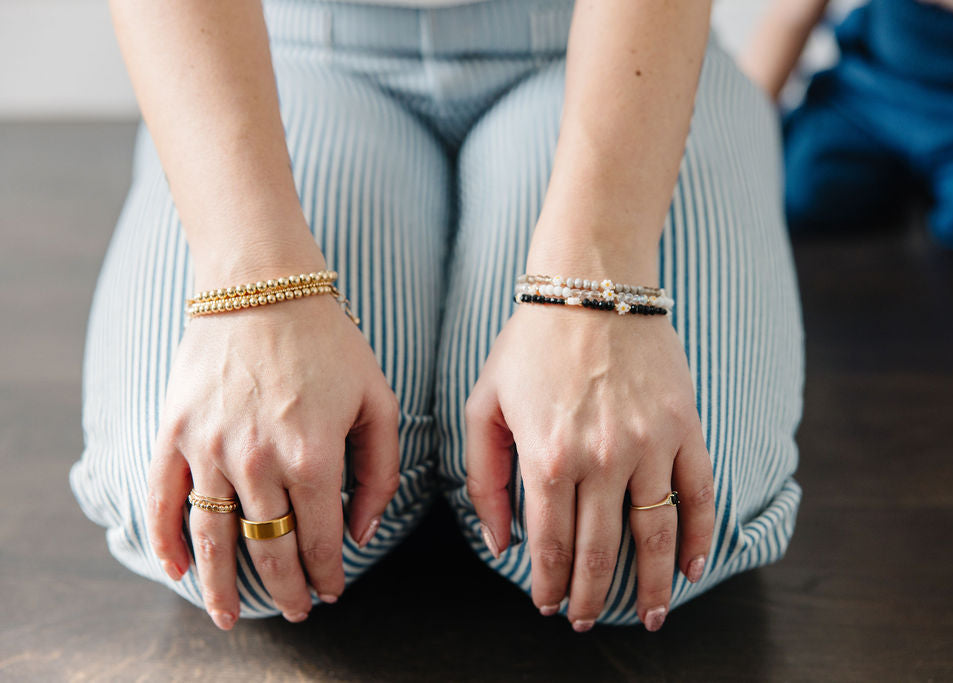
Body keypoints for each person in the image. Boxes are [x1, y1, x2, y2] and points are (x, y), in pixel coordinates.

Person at [69, 0, 804, 634]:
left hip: (608, 39)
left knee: (635, 539)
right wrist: (253, 279)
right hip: (284, 47)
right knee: (230, 531)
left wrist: (598, 273)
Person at [740, 0, 953, 254]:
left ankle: (937, 189)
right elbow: (792, 14)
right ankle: (895, 184)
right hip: (871, 91)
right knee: (800, 185)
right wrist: (740, 130)